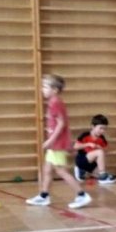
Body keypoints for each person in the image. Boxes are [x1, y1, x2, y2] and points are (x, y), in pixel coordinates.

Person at [26, 74, 92, 209]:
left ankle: (82, 195)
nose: (42, 89)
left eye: (45, 87)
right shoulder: (54, 102)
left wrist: (51, 140)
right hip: (55, 144)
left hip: (57, 144)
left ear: (55, 90)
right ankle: (44, 196)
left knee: (61, 171)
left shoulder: (55, 103)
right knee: (47, 169)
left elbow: (61, 124)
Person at [74, 114, 116, 185]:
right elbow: (75, 146)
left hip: (92, 165)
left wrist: (101, 148)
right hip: (82, 160)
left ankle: (84, 172)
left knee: (106, 173)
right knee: (99, 153)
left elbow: (107, 150)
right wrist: (88, 144)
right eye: (101, 128)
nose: (102, 131)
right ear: (93, 126)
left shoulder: (102, 138)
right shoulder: (85, 135)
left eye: (104, 129)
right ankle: (102, 176)